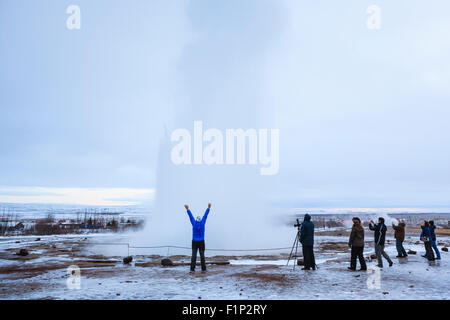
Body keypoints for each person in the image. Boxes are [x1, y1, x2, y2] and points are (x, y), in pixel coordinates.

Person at [185, 203, 211, 272]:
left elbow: (190, 216)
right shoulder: (202, 223)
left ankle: (192, 269)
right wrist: (208, 208)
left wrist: (187, 209)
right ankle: (203, 269)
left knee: (194, 256)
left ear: (196, 220)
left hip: (194, 242)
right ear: (200, 220)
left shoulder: (194, 223)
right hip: (201, 242)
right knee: (202, 256)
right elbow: (205, 216)